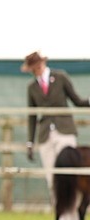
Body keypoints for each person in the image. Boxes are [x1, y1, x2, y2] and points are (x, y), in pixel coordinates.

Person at [23, 50, 89, 198]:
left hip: (64, 130)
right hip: (45, 135)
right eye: (33, 70)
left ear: (43, 64)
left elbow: (77, 101)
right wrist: (30, 142)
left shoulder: (60, 77)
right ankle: (60, 217)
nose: (36, 72)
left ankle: (74, 217)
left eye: (37, 67)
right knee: (52, 178)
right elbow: (32, 116)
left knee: (70, 175)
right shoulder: (32, 88)